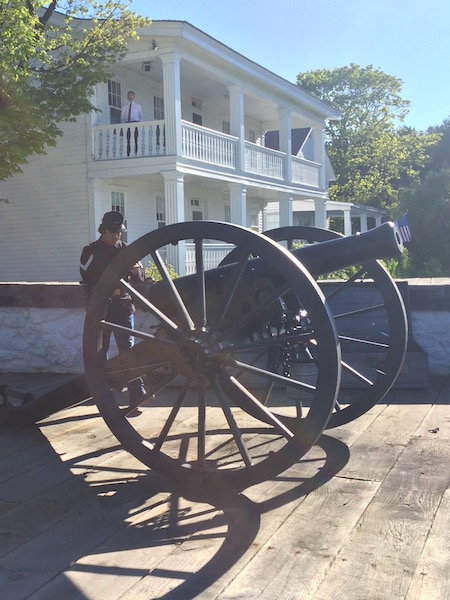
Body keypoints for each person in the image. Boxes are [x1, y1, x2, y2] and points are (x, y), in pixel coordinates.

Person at [80, 210, 147, 408]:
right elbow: (86, 276)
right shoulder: (90, 251)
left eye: (119, 232)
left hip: (123, 306)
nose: (116, 236)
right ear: (103, 230)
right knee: (100, 351)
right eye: (112, 232)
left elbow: (139, 278)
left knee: (128, 348)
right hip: (101, 307)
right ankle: (101, 392)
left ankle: (137, 392)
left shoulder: (127, 250)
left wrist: (137, 271)